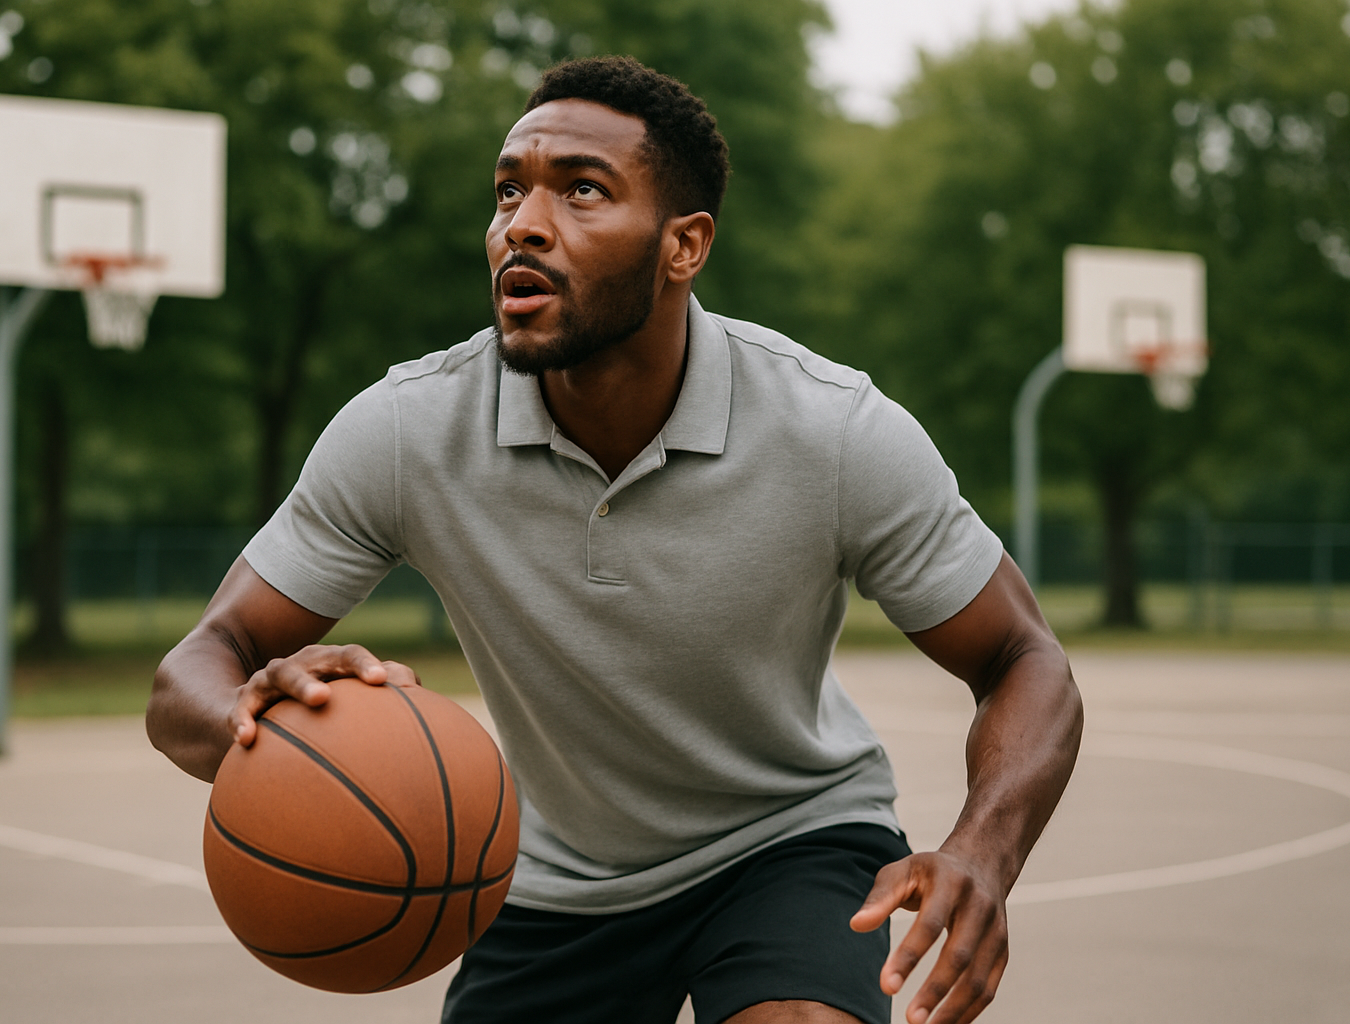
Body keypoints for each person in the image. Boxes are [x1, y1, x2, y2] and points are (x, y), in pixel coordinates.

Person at [147, 56, 1083, 1024]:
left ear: (684, 246)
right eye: (509, 190)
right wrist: (251, 727)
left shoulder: (833, 430)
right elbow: (196, 665)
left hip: (787, 836)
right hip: (553, 877)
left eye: (581, 191)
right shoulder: (407, 430)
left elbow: (1024, 656)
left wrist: (982, 849)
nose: (523, 223)